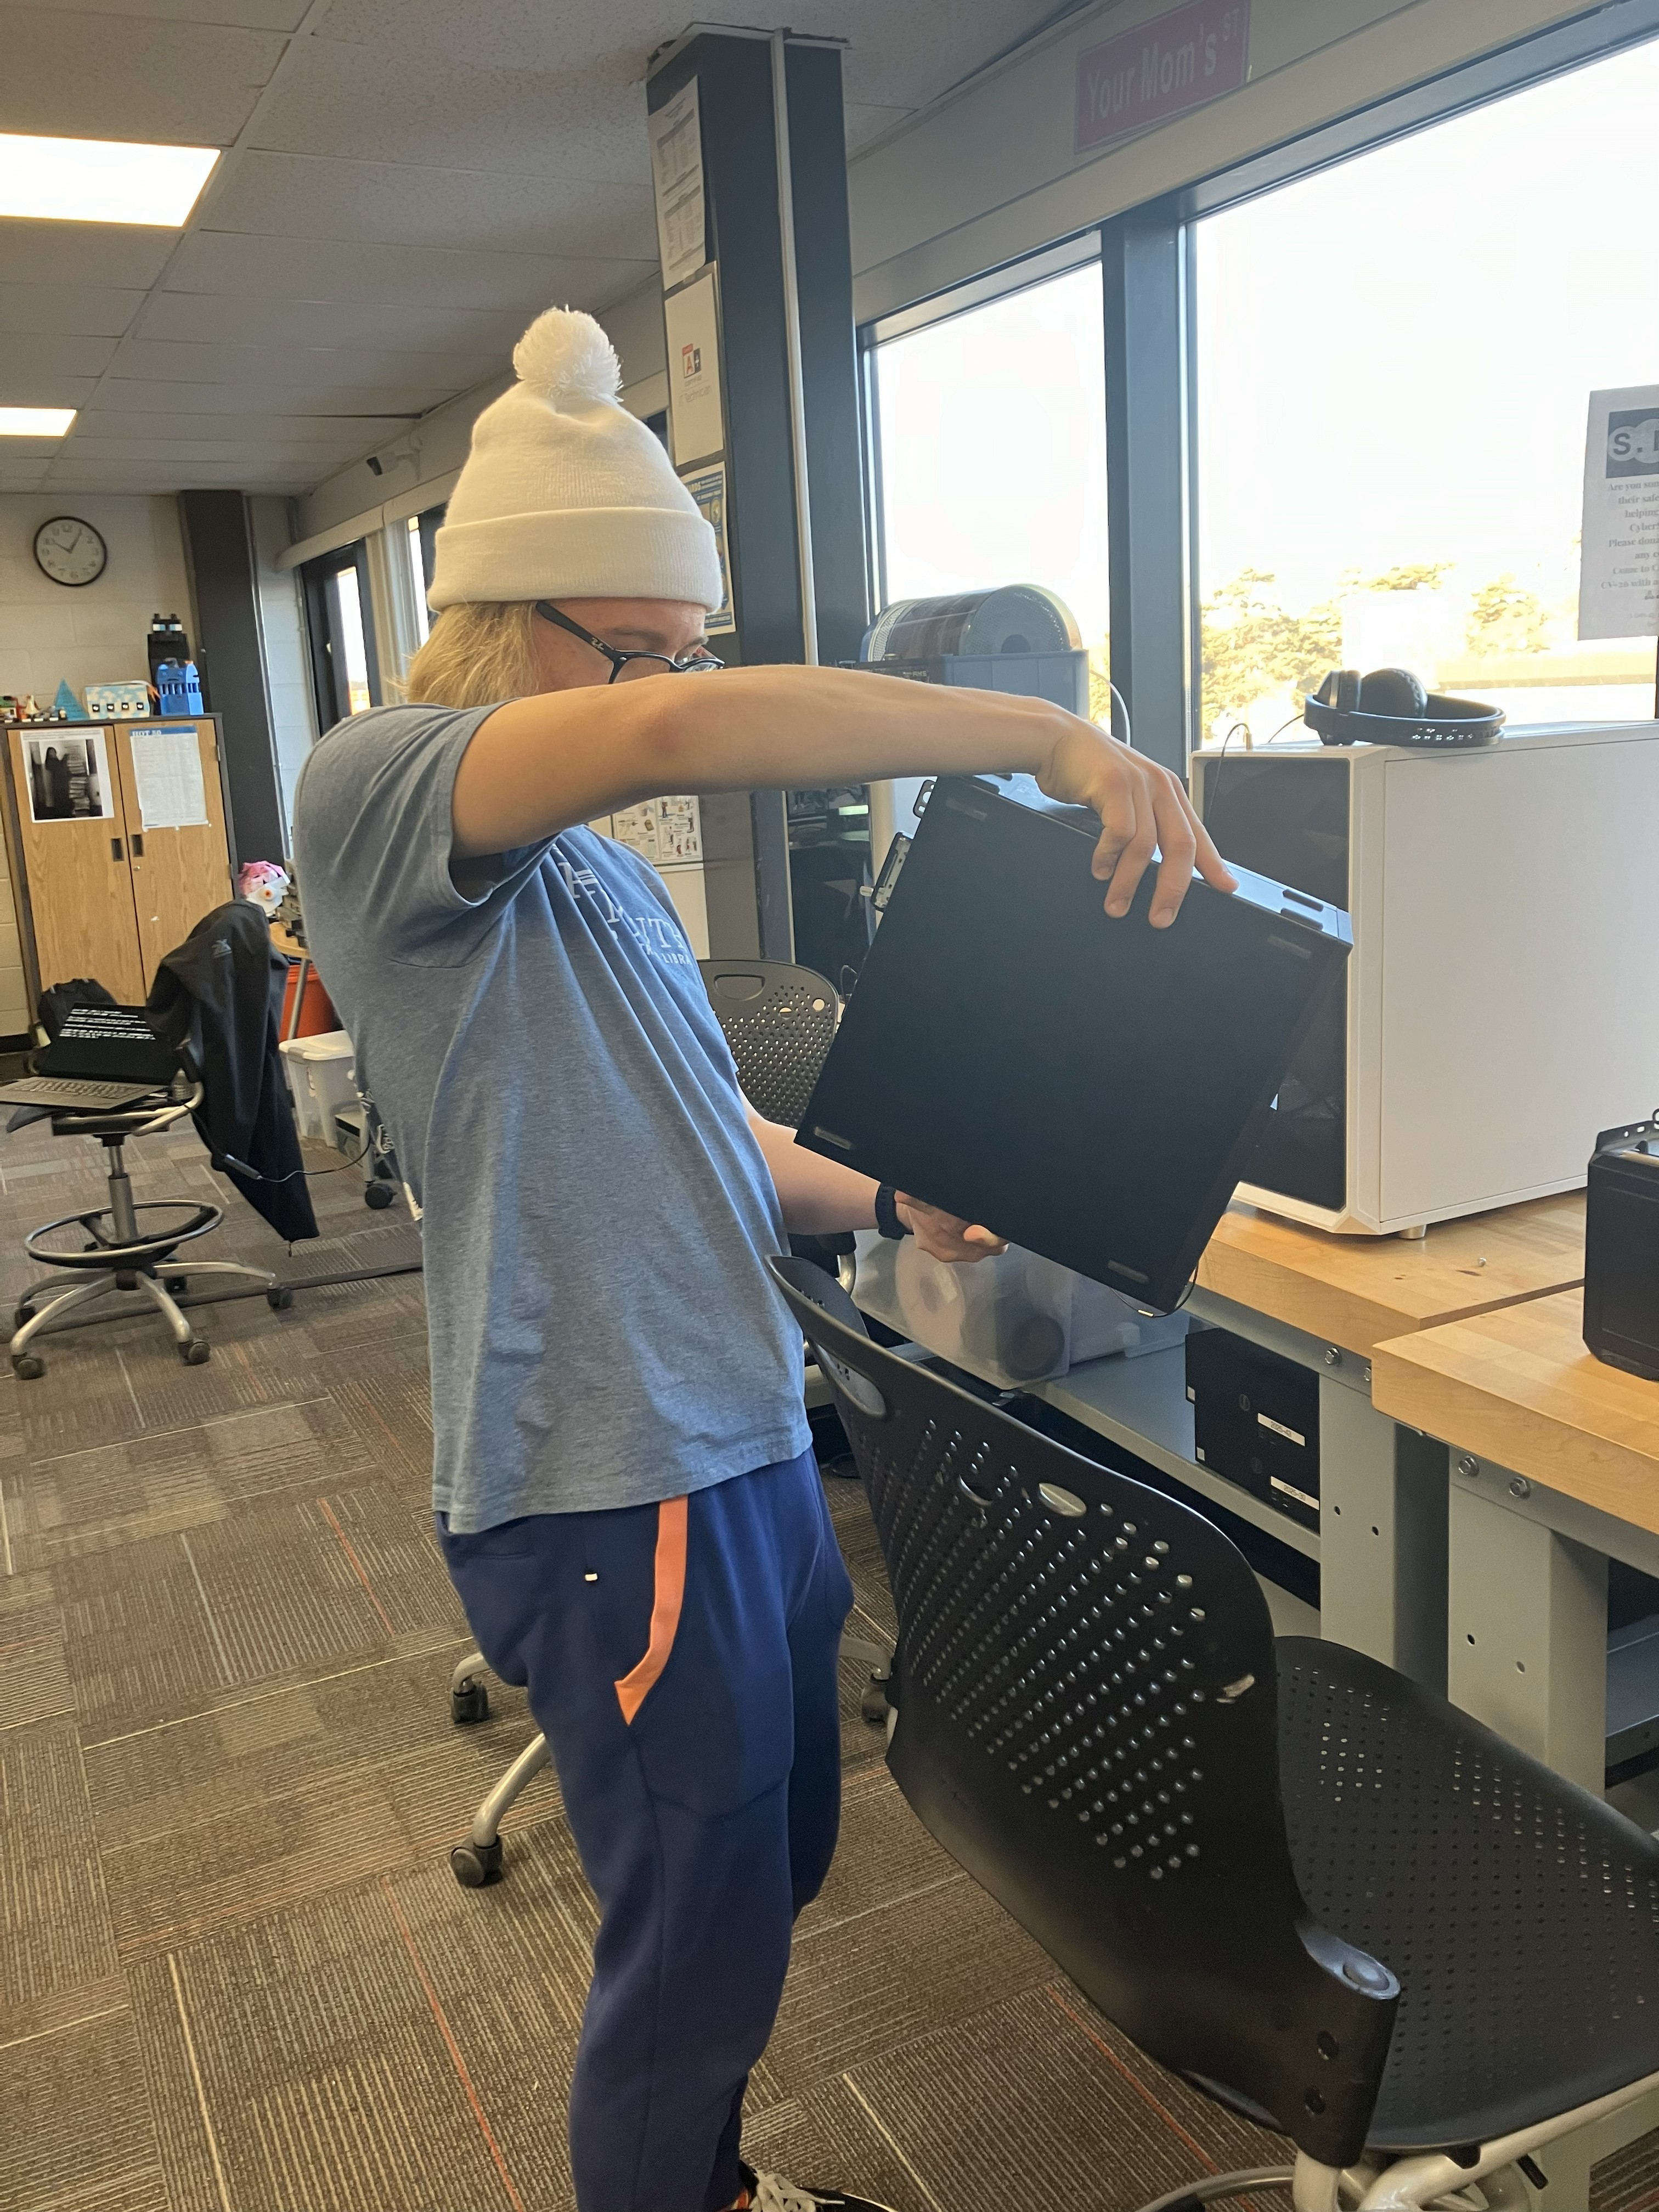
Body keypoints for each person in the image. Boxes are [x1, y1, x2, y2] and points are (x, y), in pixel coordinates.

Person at [294, 304, 1233, 2212]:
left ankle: (707, 2179)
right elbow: (675, 731)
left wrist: (891, 1198)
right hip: (602, 1465)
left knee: (773, 1860)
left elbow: (710, 1136)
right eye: (648, 643)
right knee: (690, 1962)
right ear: (526, 625)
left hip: (738, 1430)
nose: (677, 683)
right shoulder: (379, 788)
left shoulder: (596, 883)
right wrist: (1049, 734)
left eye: (685, 645)